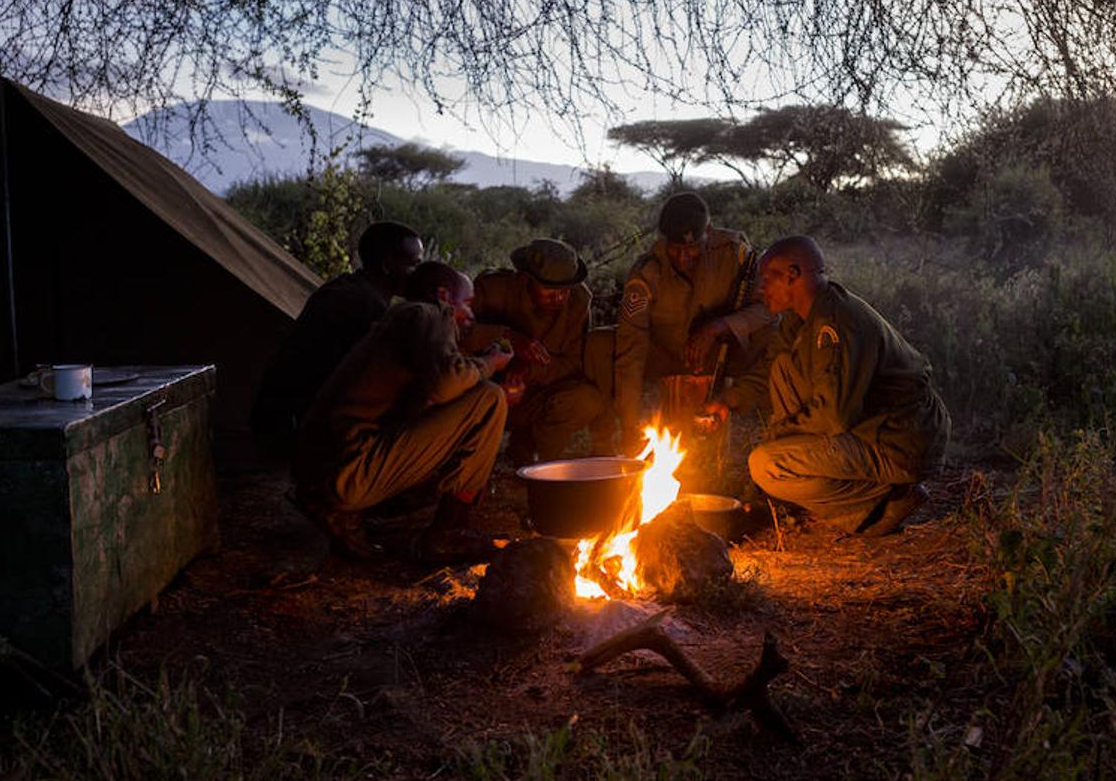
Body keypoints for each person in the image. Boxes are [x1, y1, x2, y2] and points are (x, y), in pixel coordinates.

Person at [702, 236, 950, 536]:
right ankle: (856, 492)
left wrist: (780, 436)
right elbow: (769, 370)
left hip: (903, 439)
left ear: (793, 275)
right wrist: (727, 400)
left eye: (768, 279)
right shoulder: (802, 316)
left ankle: (880, 505)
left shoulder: (836, 324)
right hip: (875, 426)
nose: (760, 289)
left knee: (765, 464)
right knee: (783, 368)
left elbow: (834, 417)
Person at [291, 262, 513, 560]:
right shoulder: (428, 313)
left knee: (481, 399)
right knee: (490, 399)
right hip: (348, 469)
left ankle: (360, 514)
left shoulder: (402, 320)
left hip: (326, 468)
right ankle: (448, 533)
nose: (470, 315)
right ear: (444, 295)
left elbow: (431, 401)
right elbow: (446, 384)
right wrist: (490, 364)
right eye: (468, 303)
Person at [586, 191, 771, 453]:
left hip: (721, 352)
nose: (683, 258)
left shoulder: (735, 254)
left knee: (775, 335)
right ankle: (603, 447)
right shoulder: (647, 273)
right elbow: (632, 348)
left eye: (693, 248)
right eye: (675, 249)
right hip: (667, 352)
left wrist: (719, 327)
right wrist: (629, 427)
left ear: (708, 231)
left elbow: (768, 308)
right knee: (600, 344)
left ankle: (776, 436)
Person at [251, 221, 424, 457]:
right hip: (297, 430)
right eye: (414, 264)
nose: (421, 274)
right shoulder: (363, 306)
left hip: (285, 421)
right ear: (387, 265)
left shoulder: (347, 289)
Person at [464, 238, 613, 463]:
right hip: (483, 393)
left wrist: (527, 369)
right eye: (550, 290)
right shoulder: (492, 289)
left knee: (586, 399)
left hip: (535, 397)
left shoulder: (578, 302)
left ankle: (539, 458)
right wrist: (506, 336)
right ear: (525, 279)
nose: (559, 298)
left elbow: (573, 363)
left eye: (565, 290)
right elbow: (456, 336)